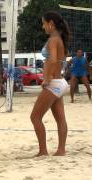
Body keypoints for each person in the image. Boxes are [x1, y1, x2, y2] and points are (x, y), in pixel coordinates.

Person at [31, 11, 70, 156]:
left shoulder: (53, 40)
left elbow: (52, 60)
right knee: (60, 119)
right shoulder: (58, 38)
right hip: (60, 82)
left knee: (35, 117)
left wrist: (46, 79)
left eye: (43, 23)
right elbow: (57, 60)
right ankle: (61, 150)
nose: (43, 27)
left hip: (53, 82)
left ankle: (43, 151)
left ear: (51, 24)